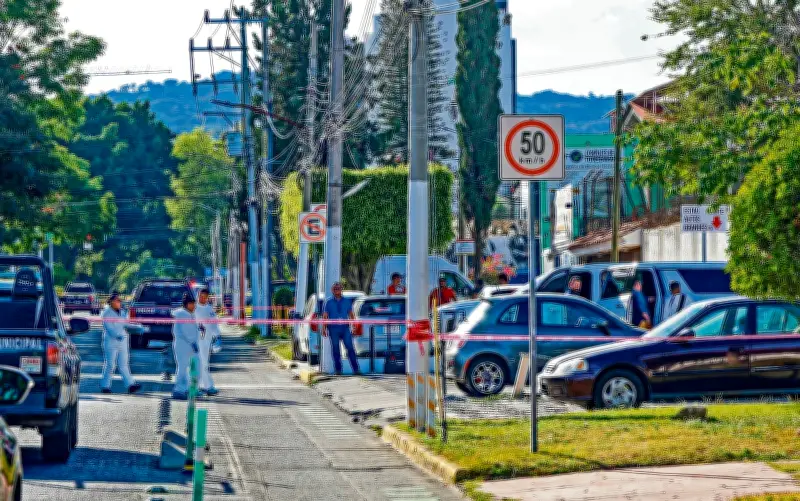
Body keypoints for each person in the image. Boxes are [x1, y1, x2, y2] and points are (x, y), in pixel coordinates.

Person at [100, 292, 141, 394]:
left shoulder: (123, 312)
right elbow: (109, 328)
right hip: (111, 342)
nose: (120, 302)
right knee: (110, 364)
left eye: (120, 300)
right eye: (117, 300)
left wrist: (139, 327)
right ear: (112, 302)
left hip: (122, 341)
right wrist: (117, 335)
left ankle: (130, 385)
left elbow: (126, 325)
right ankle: (105, 386)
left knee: (123, 364)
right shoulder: (106, 313)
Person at [322, 283, 360, 375]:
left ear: (341, 289)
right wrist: (324, 328)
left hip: (345, 328)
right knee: (336, 349)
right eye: (335, 289)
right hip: (333, 329)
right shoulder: (328, 302)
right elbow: (325, 316)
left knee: (350, 348)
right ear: (332, 290)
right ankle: (338, 370)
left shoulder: (347, 301)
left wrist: (354, 326)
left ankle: (356, 370)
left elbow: (351, 314)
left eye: (338, 288)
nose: (337, 290)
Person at [172, 293, 201, 400]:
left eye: (195, 304)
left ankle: (191, 389)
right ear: (187, 304)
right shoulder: (182, 314)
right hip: (183, 345)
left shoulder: (189, 313)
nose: (194, 306)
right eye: (192, 304)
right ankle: (179, 390)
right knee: (183, 368)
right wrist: (193, 342)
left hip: (190, 345)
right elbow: (185, 331)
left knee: (195, 368)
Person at [194, 288, 219, 396]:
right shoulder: (193, 308)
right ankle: (198, 387)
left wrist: (217, 337)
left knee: (204, 363)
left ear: (207, 297)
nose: (202, 298)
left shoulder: (209, 309)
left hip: (206, 340)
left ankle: (205, 386)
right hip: (195, 340)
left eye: (204, 297)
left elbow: (214, 324)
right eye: (200, 296)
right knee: (197, 363)